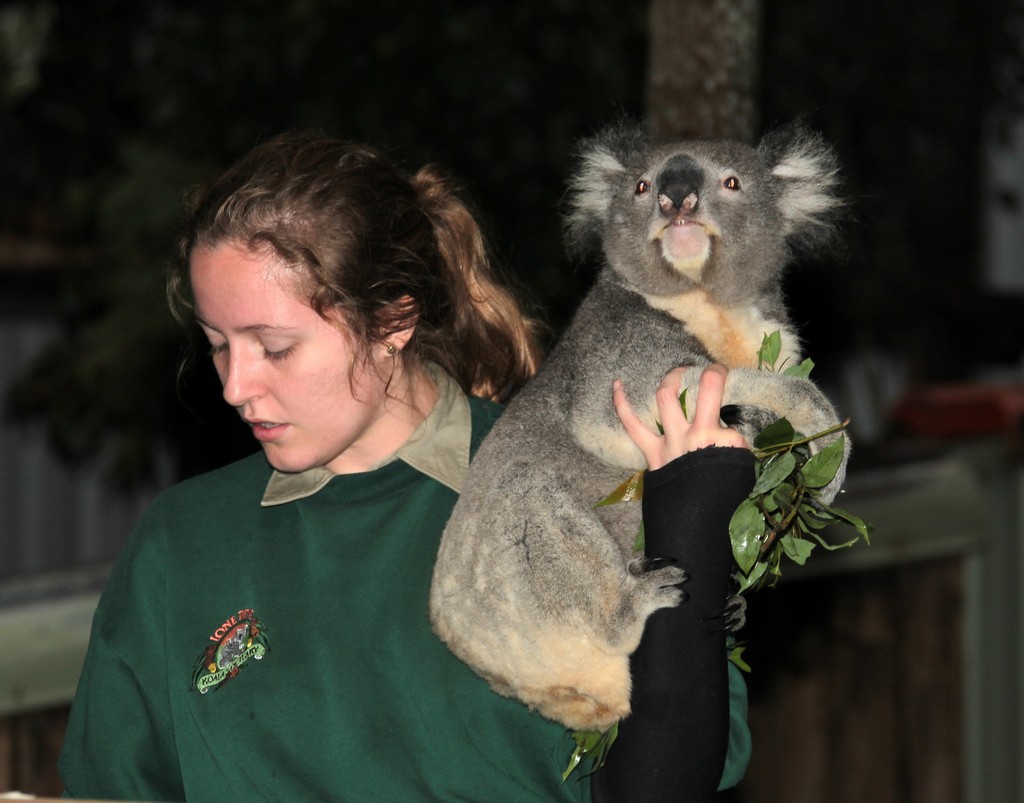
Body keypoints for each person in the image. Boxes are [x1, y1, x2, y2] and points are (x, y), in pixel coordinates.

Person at [58, 132, 753, 801]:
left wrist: (687, 529)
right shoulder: (183, 542)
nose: (235, 386)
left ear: (394, 320)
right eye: (216, 345)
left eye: (273, 348)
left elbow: (671, 771)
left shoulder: (576, 492)